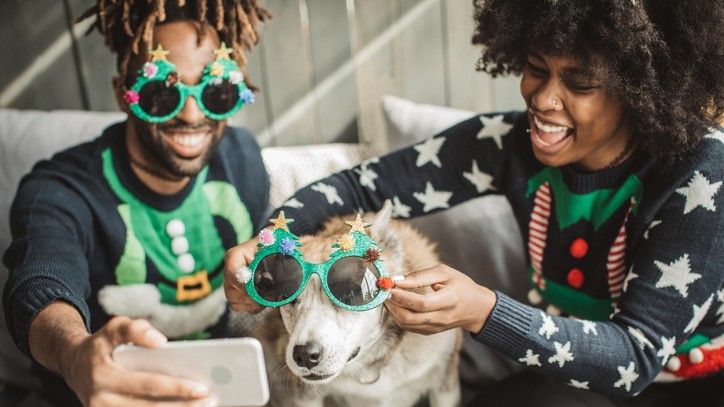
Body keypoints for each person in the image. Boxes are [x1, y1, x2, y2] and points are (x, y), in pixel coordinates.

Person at [224, 0, 723, 404]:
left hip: (694, 381)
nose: (544, 99)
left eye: (581, 83)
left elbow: (633, 359)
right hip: (568, 374)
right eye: (535, 69)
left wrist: (483, 311)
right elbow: (358, 188)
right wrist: (268, 245)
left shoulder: (703, 175)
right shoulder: (507, 144)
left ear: (641, 89)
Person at [2, 1, 271, 405]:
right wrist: (75, 354)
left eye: (216, 90)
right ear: (122, 95)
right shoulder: (60, 188)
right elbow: (39, 283)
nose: (192, 114)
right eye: (162, 92)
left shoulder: (243, 158)